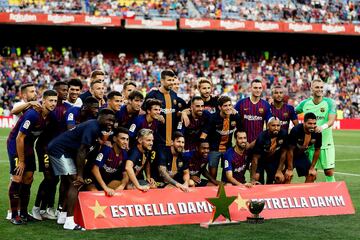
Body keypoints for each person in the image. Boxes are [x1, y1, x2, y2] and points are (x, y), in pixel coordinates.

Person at [47, 108, 115, 230]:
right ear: (100, 117)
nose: (111, 122)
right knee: (76, 183)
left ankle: (62, 216)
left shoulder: (96, 128)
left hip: (65, 151)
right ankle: (69, 222)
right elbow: (82, 151)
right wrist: (80, 175)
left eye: (113, 120)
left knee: (69, 183)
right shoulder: (93, 127)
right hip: (59, 150)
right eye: (108, 119)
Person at [7, 90, 58, 225]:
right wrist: (22, 161)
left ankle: (24, 213)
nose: (53, 103)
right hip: (15, 145)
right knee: (18, 177)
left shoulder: (50, 116)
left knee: (29, 178)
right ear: (44, 100)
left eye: (55, 101)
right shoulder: (33, 114)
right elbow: (19, 138)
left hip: (28, 146)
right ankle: (13, 215)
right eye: (50, 100)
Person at [296, 79, 337, 182]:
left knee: (329, 171)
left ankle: (332, 194)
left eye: (321, 87)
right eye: (317, 87)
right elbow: (292, 112)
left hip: (326, 143)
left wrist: (321, 127)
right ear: (311, 89)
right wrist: (298, 127)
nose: (319, 89)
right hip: (310, 145)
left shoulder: (330, 103)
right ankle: (312, 194)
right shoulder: (305, 103)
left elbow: (331, 120)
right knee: (311, 173)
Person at [200, 96, 242, 179]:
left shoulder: (235, 116)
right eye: (225, 106)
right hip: (214, 149)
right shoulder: (213, 118)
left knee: (227, 174)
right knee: (213, 175)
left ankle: (226, 188)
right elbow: (203, 135)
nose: (228, 108)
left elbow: (241, 131)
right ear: (219, 107)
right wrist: (203, 148)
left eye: (230, 105)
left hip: (228, 149)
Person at [85, 127, 129, 195]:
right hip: (93, 180)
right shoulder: (106, 149)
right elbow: (94, 169)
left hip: (107, 181)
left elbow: (125, 173)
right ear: (114, 139)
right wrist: (105, 188)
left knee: (124, 187)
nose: (125, 142)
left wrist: (122, 186)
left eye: (127, 139)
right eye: (122, 139)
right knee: (95, 194)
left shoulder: (124, 154)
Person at [145, 69, 182, 149]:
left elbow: (180, 111)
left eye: (173, 80)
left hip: (171, 142)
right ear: (162, 80)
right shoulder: (152, 95)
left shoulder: (174, 95)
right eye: (169, 80)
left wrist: (184, 113)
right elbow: (142, 114)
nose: (171, 82)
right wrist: (154, 117)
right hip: (156, 141)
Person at [250, 117, 288, 185]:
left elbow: (284, 152)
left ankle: (270, 193)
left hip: (273, 160)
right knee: (257, 179)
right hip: (260, 160)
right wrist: (252, 179)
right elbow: (255, 159)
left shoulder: (284, 134)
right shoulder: (261, 137)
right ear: (268, 126)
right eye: (273, 125)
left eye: (278, 125)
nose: (276, 128)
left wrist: (279, 170)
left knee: (278, 178)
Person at [286, 112, 322, 183]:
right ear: (304, 123)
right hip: (290, 155)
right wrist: (290, 169)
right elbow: (290, 150)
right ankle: (284, 193)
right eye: (310, 123)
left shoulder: (317, 132)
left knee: (311, 175)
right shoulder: (296, 130)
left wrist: (312, 168)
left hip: (300, 155)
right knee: (286, 176)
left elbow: (317, 150)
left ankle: (305, 193)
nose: (312, 126)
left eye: (314, 123)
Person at [234, 79, 272, 145]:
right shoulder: (241, 103)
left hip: (258, 142)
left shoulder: (266, 105)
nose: (258, 90)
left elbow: (269, 123)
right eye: (255, 88)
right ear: (250, 88)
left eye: (260, 88)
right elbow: (233, 120)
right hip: (242, 142)